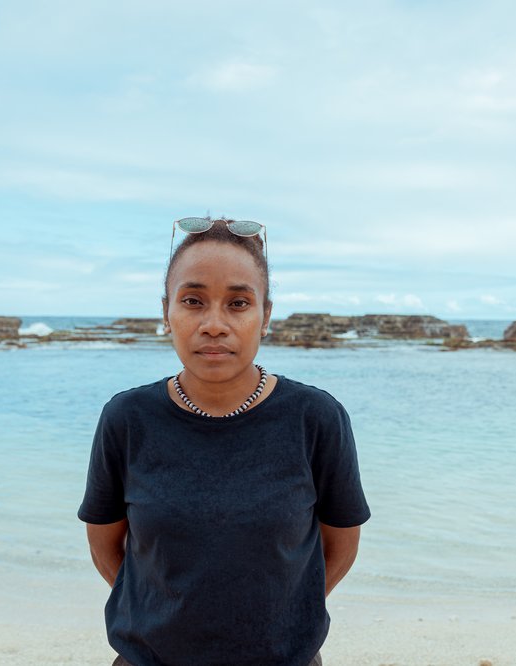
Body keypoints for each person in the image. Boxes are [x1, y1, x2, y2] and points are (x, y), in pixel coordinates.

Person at [78, 217, 370, 666]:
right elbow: (104, 546)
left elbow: (341, 546)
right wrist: (166, 620)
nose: (214, 324)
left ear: (265, 315)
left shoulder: (316, 419)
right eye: (193, 301)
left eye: (238, 303)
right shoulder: (127, 418)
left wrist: (278, 619)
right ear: (166, 313)